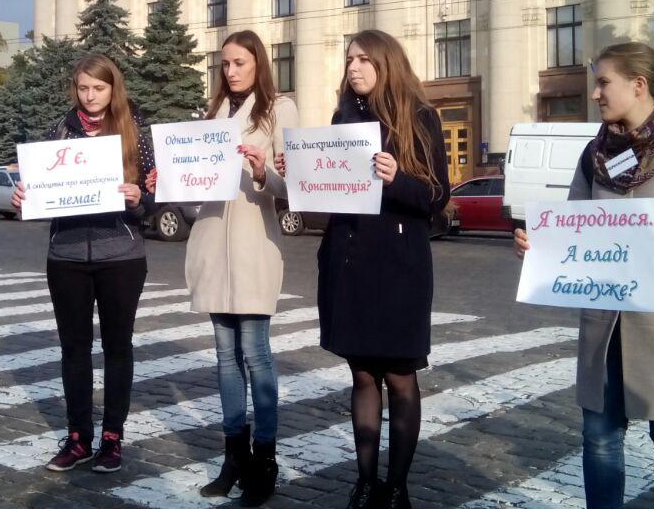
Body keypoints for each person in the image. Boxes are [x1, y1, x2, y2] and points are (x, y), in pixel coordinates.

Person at [513, 42, 654, 509]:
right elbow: (575, 224)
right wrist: (540, 248)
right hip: (605, 323)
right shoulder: (594, 154)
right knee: (599, 436)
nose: (595, 93)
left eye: (603, 82)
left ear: (638, 86)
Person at [279, 29, 448, 509]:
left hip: (398, 268)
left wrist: (396, 179)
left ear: (385, 63)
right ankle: (365, 480)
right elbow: (330, 191)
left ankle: (397, 487)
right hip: (348, 262)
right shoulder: (342, 117)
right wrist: (299, 173)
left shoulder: (421, 116)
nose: (352, 67)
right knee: (362, 376)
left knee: (399, 376)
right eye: (348, 58)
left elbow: (438, 198)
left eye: (362, 59)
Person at [146, 30, 299, 506]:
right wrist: (166, 179)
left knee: (256, 353)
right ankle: (233, 456)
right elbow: (195, 181)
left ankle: (264, 459)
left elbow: (293, 186)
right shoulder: (212, 116)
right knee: (224, 358)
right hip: (212, 244)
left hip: (254, 245)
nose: (230, 72)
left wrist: (261, 172)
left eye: (238, 63)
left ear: (258, 64)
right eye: (225, 65)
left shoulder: (280, 110)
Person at [11, 53, 155, 474]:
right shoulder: (57, 131)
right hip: (67, 255)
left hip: (122, 255)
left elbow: (157, 195)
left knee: (117, 348)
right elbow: (35, 189)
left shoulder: (136, 132)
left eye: (99, 88)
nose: (90, 96)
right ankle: (78, 438)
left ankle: (112, 438)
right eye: (83, 87)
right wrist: (22, 198)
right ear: (74, 88)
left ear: (113, 89)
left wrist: (140, 199)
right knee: (74, 349)